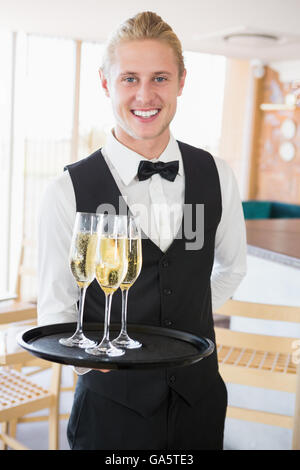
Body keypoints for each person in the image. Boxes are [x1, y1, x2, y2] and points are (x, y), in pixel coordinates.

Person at [37, 11, 247, 450]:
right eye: (129, 78)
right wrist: (93, 366)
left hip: (200, 400)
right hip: (111, 411)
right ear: (105, 83)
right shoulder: (66, 191)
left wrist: (189, 313)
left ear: (182, 81)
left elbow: (232, 266)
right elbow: (57, 307)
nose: (145, 94)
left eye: (160, 78)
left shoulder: (218, 174)